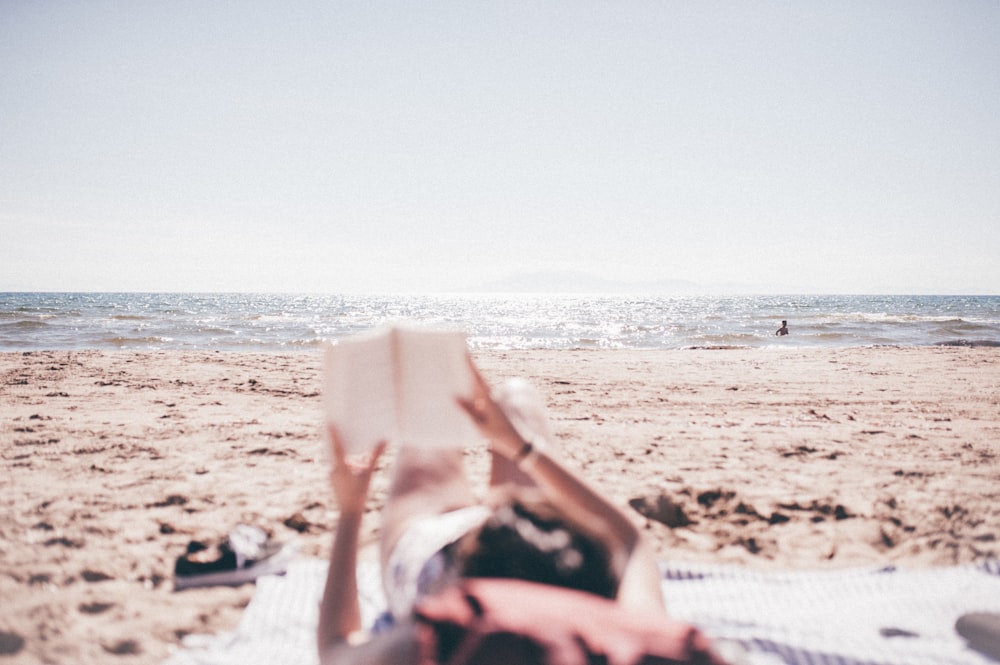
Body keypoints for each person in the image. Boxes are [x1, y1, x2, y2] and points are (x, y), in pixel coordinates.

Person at [317, 356, 728, 665]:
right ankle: (501, 419)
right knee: (515, 397)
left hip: (444, 557)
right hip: (501, 552)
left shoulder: (447, 632)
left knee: (440, 418)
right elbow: (630, 539)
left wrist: (351, 510)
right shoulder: (642, 643)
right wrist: (522, 447)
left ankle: (483, 411)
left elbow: (336, 648)